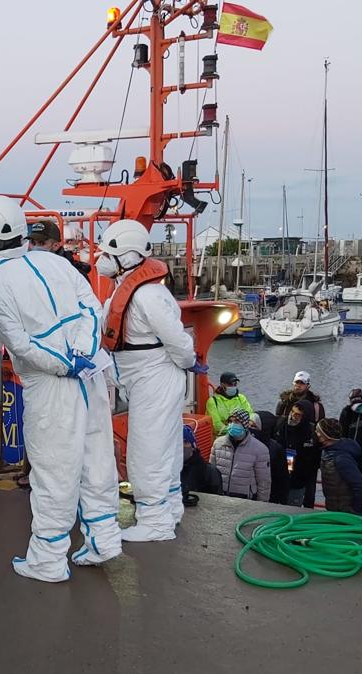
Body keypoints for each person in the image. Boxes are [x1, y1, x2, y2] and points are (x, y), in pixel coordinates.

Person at [0, 195, 122, 582]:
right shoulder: (57, 264)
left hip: (50, 384)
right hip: (91, 374)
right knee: (96, 460)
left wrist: (62, 363)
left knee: (53, 470)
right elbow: (93, 308)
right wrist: (84, 353)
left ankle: (48, 558)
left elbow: (18, 343)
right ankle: (103, 540)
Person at [97, 219, 208, 542]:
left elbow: (178, 341)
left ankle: (155, 521)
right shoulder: (132, 288)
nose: (101, 259)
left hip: (155, 378)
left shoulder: (148, 295)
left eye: (108, 253)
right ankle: (169, 508)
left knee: (148, 451)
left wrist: (189, 363)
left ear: (127, 256)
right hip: (145, 378)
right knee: (166, 449)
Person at [210, 410, 272, 502]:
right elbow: (211, 473)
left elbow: (263, 481)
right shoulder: (218, 444)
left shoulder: (260, 449)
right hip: (221, 496)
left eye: (236, 421)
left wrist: (262, 504)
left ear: (245, 424)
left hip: (245, 499)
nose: (232, 424)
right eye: (230, 421)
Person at [313, 418, 362, 515]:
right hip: (334, 509)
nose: (315, 432)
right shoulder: (326, 452)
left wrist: (354, 511)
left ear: (325, 435)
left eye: (318, 431)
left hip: (346, 513)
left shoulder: (341, 459)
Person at [274, 399, 322, 508]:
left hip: (298, 481)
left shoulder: (311, 433)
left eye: (298, 415)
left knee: (292, 508)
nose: (293, 417)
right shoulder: (281, 424)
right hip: (278, 478)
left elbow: (315, 460)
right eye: (292, 412)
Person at [252, 410, 290, 505]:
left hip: (271, 495)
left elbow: (283, 477)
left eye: (253, 426)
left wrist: (283, 499)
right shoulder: (246, 443)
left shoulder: (276, 449)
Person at [179, 424, 221, 501]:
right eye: (176, 442)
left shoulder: (210, 472)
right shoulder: (167, 470)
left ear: (193, 446)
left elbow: (216, 502)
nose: (180, 446)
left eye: (185, 442)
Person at [206, 372, 254, 436]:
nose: (233, 386)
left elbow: (250, 415)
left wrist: (241, 431)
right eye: (230, 384)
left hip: (243, 435)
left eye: (235, 384)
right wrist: (235, 431)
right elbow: (216, 426)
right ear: (222, 385)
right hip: (221, 438)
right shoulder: (213, 402)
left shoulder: (241, 398)